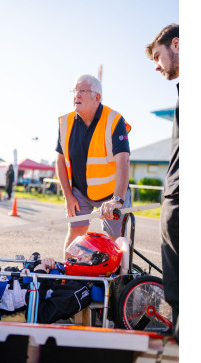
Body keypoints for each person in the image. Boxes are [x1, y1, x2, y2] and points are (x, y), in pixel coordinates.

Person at [55, 74, 132, 258]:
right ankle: (68, 278)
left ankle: (117, 283)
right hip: (81, 191)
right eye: (75, 90)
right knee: (75, 235)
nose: (77, 95)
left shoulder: (114, 120)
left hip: (111, 192)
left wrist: (117, 199)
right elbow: (60, 160)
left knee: (117, 242)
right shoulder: (65, 122)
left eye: (82, 91)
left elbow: (123, 160)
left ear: (97, 97)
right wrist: (68, 196)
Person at [145, 23, 179, 341]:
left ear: (177, 45)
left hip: (181, 202)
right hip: (174, 201)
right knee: (176, 292)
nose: (157, 66)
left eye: (158, 56)